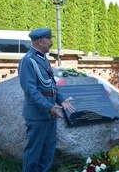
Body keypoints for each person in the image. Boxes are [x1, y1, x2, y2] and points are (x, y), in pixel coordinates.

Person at [18, 28, 76, 172]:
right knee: (33, 153)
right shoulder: (27, 61)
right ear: (40, 41)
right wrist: (48, 107)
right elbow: (30, 90)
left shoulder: (42, 58)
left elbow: (51, 86)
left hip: (50, 114)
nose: (51, 42)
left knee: (48, 152)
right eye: (49, 39)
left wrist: (61, 100)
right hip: (38, 115)